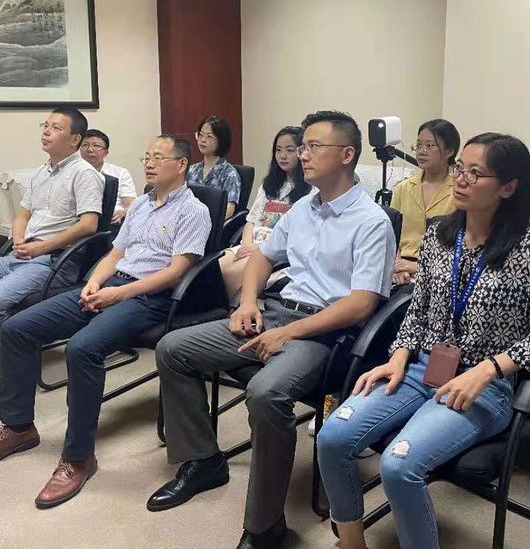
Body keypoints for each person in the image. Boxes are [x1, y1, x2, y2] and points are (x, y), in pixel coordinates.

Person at [148, 111, 395, 549]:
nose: (303, 155)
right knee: (173, 348)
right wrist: (248, 301)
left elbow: (362, 304)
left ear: (347, 155)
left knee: (265, 393)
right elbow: (263, 256)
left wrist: (291, 333)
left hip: (324, 333)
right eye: (303, 147)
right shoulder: (303, 207)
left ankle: (265, 527)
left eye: (313, 146)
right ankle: (204, 461)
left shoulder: (371, 221)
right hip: (276, 312)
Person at [317, 133, 530, 549]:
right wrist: (399, 354)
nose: (461, 179)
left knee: (398, 465)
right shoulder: (440, 235)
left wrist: (490, 369)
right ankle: (351, 543)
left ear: (508, 187)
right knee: (332, 438)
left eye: (476, 173)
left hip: (484, 385)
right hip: (421, 366)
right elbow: (417, 309)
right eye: (460, 169)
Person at [0, 135, 211, 509]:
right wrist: (95, 282)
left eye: (159, 158)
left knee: (82, 348)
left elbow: (175, 273)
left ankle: (78, 458)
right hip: (110, 284)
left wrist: (118, 295)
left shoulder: (193, 211)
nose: (149, 163)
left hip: (150, 298)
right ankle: (18, 427)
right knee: (17, 328)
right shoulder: (141, 205)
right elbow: (115, 254)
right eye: (147, 157)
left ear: (182, 164)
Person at [0, 107, 103, 354]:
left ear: (74, 139)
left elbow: (89, 224)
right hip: (20, 254)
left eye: (56, 128)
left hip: (54, 260)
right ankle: (19, 344)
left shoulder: (84, 174)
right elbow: (22, 215)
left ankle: (14, 351)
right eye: (45, 126)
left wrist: (41, 247)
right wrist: (18, 240)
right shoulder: (41, 172)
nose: (46, 132)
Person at [219, 126, 311, 298]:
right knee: (218, 266)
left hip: (276, 250)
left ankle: (239, 307)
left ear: (301, 152)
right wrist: (247, 244)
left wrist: (257, 248)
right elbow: (251, 220)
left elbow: (298, 234)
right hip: (251, 244)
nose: (282, 156)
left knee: (235, 272)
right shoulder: (268, 185)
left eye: (289, 150)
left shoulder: (309, 190)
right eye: (278, 150)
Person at [390, 119, 460, 285]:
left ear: (449, 151)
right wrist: (396, 266)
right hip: (401, 266)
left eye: (430, 146)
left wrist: (417, 267)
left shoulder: (459, 190)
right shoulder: (403, 188)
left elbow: (464, 243)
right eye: (418, 145)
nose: (422, 151)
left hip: (441, 270)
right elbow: (391, 235)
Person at [187, 115, 242, 219]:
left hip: (211, 225)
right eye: (200, 135)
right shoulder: (191, 170)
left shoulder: (229, 174)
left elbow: (228, 211)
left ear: (221, 140)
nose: (202, 140)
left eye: (209, 136)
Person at [80, 128, 137, 224]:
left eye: (96, 145)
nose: (90, 149)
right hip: (81, 221)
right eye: (85, 145)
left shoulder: (120, 173)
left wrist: (122, 213)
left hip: (113, 222)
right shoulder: (72, 173)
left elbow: (131, 204)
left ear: (106, 153)